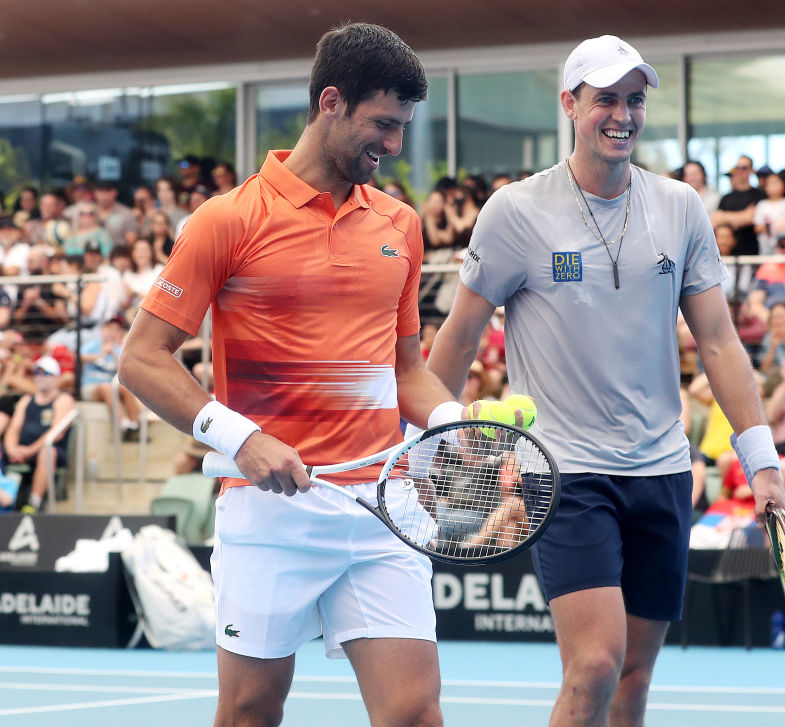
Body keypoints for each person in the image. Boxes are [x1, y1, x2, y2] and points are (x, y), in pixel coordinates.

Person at [117, 23, 505, 727]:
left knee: (415, 714)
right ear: (331, 102)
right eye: (383, 124)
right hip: (271, 510)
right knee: (249, 712)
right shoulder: (225, 220)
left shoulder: (400, 225)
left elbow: (405, 369)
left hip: (382, 505)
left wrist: (453, 422)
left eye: (403, 127)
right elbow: (141, 357)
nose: (394, 145)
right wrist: (241, 439)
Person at [424, 34, 785, 727]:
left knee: (632, 678)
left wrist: (761, 460)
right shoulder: (515, 211)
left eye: (634, 100)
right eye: (605, 100)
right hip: (565, 473)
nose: (622, 115)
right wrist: (427, 445)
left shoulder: (681, 207)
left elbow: (718, 341)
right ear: (569, 104)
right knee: (593, 666)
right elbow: (460, 337)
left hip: (662, 471)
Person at [3, 355, 76, 512]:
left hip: (49, 450)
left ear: (56, 377)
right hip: (22, 449)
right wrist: (11, 449)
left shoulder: (63, 400)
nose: (40, 377)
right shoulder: (26, 400)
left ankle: (34, 502)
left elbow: (56, 433)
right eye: (37, 373)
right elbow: (13, 428)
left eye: (45, 373)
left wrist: (29, 450)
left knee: (48, 452)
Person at [712, 155, 765, 257]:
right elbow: (716, 220)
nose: (740, 171)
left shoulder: (759, 194)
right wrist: (740, 217)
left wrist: (724, 217)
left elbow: (750, 217)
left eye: (744, 168)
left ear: (752, 170)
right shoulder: (726, 198)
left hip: (751, 253)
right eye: (737, 167)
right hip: (728, 255)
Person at [753, 173, 785, 255]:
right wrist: (771, 227)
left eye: (776, 182)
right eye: (770, 183)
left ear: (783, 186)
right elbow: (757, 228)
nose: (773, 186)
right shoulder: (762, 205)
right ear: (765, 187)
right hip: (767, 249)